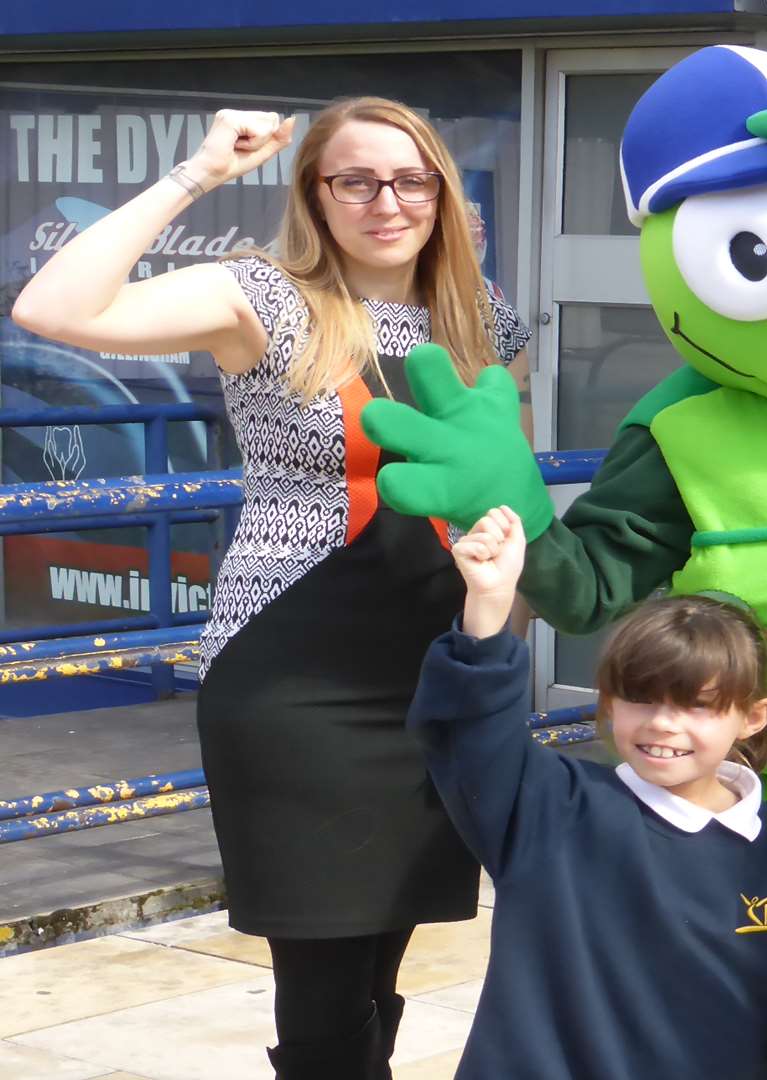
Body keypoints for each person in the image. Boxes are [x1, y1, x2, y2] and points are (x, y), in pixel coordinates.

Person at [11, 99, 532, 1076]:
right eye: (356, 179)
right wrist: (199, 173)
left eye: (412, 178)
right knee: (324, 996)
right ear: (316, 194)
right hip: (295, 684)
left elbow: (502, 488)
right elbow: (54, 310)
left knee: (381, 971)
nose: (388, 199)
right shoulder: (263, 298)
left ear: (442, 195)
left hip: (432, 678)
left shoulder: (483, 318)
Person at [412, 505, 767, 1079]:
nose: (662, 723)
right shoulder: (549, 806)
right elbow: (468, 729)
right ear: (608, 703)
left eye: (697, 705)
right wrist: (489, 603)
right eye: (641, 698)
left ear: (754, 717)